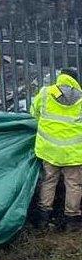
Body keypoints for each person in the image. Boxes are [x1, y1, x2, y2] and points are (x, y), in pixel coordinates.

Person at [31, 68, 82, 231]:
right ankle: (71, 220)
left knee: (48, 181)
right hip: (73, 153)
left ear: (61, 78)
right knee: (74, 185)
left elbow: (34, 113)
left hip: (49, 150)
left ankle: (43, 217)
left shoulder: (45, 93)